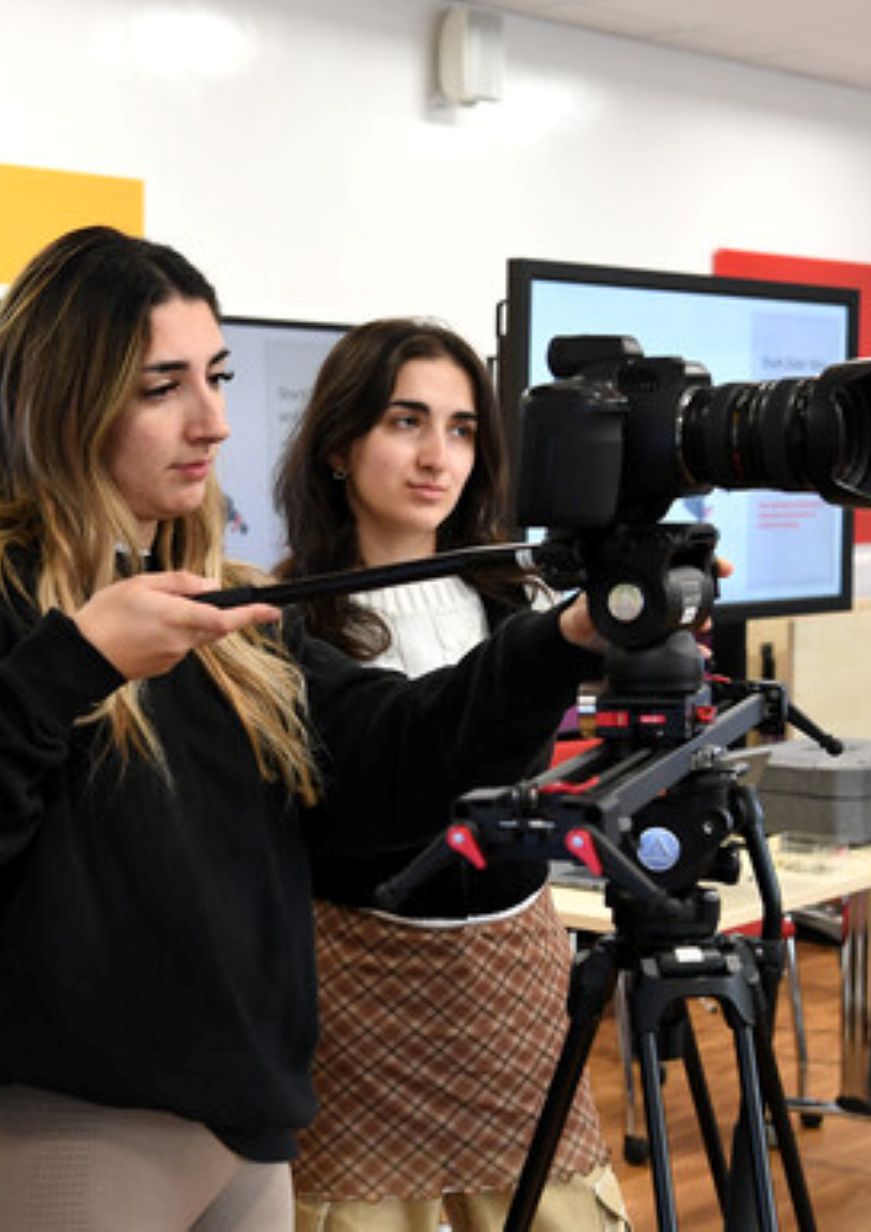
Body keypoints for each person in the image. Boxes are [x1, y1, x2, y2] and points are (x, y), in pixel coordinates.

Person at [0, 226, 609, 1231]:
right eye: (163, 387)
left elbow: (390, 756)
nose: (214, 420)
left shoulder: (221, 609)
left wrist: (566, 637)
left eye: (218, 376)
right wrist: (71, 665)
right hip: (60, 1143)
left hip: (246, 1142)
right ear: (68, 396)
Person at [275, 318, 628, 1232]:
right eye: (406, 421)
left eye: (463, 428)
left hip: (515, 981)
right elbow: (406, 755)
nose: (439, 455)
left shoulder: (525, 601)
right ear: (337, 447)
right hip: (359, 1001)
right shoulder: (283, 625)